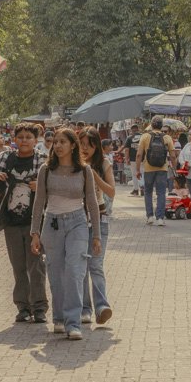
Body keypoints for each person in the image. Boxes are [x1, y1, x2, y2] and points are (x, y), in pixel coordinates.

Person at [30, 127, 103, 339]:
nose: (58, 146)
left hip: (78, 223)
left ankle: (73, 322)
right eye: (56, 142)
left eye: (63, 142)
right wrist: (35, 232)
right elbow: (39, 203)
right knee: (56, 273)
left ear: (73, 145)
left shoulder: (84, 170)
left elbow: (92, 203)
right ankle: (59, 318)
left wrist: (96, 235)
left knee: (75, 270)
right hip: (52, 224)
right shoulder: (46, 169)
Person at [0, 122, 47, 323]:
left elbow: (55, 183)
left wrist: (41, 185)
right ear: (14, 139)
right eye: (20, 137)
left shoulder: (43, 160)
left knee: (36, 265)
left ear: (35, 140)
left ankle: (39, 307)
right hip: (10, 220)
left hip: (35, 222)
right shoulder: (5, 157)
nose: (24, 141)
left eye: (28, 137)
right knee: (18, 265)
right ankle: (23, 307)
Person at [79, 129, 116, 326]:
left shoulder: (103, 163)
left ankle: (102, 307)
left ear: (97, 146)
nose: (85, 148)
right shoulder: (72, 163)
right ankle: (85, 309)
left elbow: (111, 191)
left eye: (89, 144)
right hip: (77, 219)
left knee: (95, 265)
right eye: (82, 143)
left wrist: (94, 176)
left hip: (99, 220)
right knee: (82, 266)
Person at [137, 117, 177, 225]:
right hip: (162, 169)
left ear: (151, 125)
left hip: (148, 168)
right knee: (161, 193)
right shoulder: (167, 137)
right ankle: (160, 218)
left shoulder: (145, 137)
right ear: (162, 125)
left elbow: (139, 155)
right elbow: (173, 156)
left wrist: (137, 170)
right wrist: (175, 169)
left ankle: (149, 216)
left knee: (148, 192)